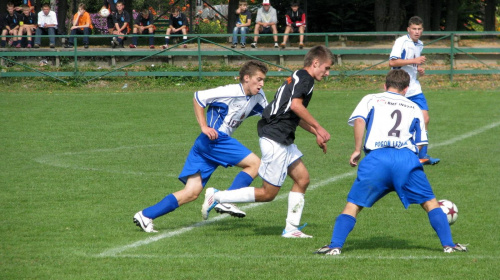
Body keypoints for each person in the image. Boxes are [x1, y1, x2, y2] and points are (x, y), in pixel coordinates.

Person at [314, 69, 468, 255]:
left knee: (353, 205)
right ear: (406, 89)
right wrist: (409, 160)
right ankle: (448, 245)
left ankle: (335, 246)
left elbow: (360, 121)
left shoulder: (371, 99)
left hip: (377, 158)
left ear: (385, 85)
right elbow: (420, 143)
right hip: (406, 158)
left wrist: (357, 149)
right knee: (430, 203)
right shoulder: (414, 107)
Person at [202, 46, 333, 238]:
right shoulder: (305, 79)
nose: (328, 73)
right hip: (275, 137)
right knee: (268, 193)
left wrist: (315, 133)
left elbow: (291, 112)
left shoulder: (298, 76)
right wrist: (319, 127)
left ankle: (291, 229)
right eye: (327, 68)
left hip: (282, 137)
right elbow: (296, 106)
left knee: (302, 179)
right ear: (315, 63)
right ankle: (218, 196)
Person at [133, 60, 269, 233]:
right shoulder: (230, 91)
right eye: (259, 79)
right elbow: (198, 97)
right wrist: (204, 126)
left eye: (263, 80)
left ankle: (146, 215)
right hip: (215, 139)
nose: (262, 84)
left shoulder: (259, 95)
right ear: (247, 78)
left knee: (191, 192)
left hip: (205, 145)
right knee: (255, 164)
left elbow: (270, 114)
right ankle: (226, 199)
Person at [389, 16, 439, 165]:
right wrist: (414, 61)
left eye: (419, 29)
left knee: (425, 119)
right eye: (414, 29)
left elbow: (412, 65)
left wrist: (418, 70)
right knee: (400, 123)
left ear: (422, 30)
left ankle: (422, 156)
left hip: (414, 87)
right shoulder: (401, 42)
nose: (416, 32)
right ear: (408, 30)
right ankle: (398, 153)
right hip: (399, 87)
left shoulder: (420, 44)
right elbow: (392, 62)